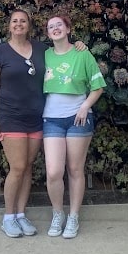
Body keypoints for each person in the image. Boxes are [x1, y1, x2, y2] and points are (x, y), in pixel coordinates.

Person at [0, 9, 87, 239]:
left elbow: (64, 51)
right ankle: (8, 217)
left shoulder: (42, 50)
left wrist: (79, 44)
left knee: (29, 166)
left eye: (23, 21)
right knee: (18, 167)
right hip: (11, 117)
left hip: (38, 117)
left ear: (29, 26)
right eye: (14, 21)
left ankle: (21, 214)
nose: (19, 24)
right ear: (9, 26)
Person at [42, 14, 105, 239]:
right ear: (48, 33)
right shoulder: (44, 54)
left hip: (78, 118)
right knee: (53, 172)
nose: (56, 28)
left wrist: (85, 106)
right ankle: (57, 213)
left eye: (60, 24)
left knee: (75, 170)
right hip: (52, 119)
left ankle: (74, 216)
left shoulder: (82, 53)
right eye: (51, 27)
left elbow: (98, 86)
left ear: (68, 28)